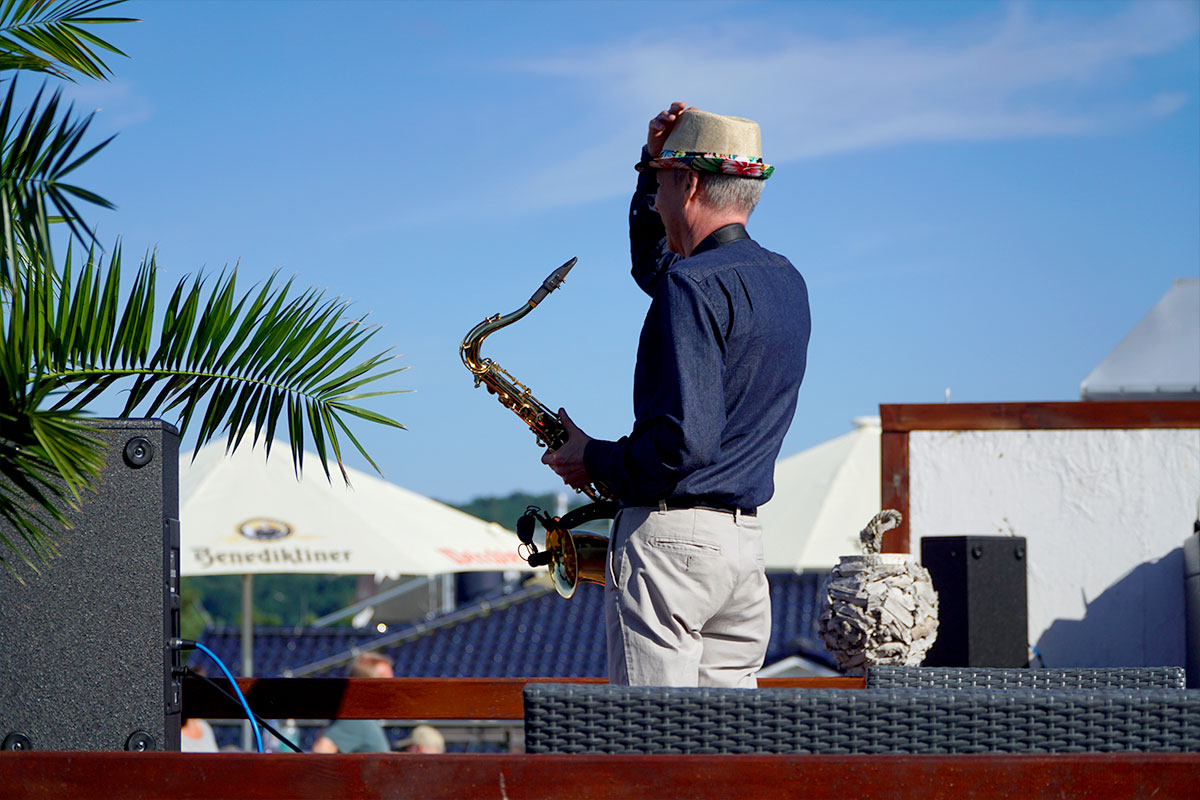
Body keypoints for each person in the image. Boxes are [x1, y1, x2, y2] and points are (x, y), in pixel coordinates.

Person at [543, 103, 810, 688]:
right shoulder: (786, 280)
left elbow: (681, 446)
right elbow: (660, 263)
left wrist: (593, 456)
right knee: (725, 757)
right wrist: (650, 164)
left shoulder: (689, 285)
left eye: (662, 184)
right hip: (743, 547)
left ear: (688, 184)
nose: (657, 200)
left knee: (655, 754)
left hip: (672, 545)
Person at [311, 652, 395, 753]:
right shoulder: (358, 719)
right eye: (388, 682)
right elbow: (322, 750)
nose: (393, 688)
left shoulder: (361, 717)